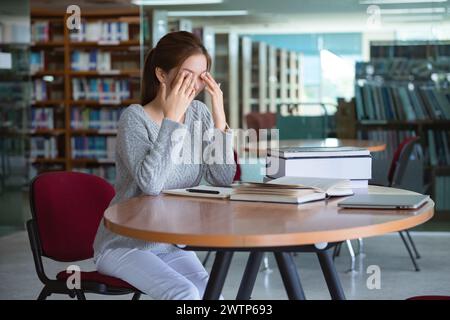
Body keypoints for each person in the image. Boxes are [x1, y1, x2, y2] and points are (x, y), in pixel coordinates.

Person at [93, 31, 236, 300]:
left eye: (202, 75)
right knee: (183, 293)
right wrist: (172, 119)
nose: (195, 84)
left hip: (170, 244)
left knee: (211, 295)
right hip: (125, 245)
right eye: (187, 74)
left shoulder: (199, 114)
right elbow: (151, 184)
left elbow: (222, 177)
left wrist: (219, 119)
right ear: (161, 75)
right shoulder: (135, 119)